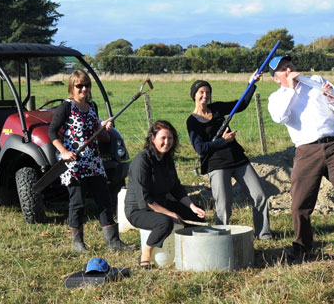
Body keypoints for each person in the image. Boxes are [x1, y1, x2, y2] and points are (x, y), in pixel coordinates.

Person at [267, 54, 334, 267]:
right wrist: (291, 87)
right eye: (282, 69)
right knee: (299, 205)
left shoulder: (315, 81)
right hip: (306, 150)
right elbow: (280, 117)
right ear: (276, 78)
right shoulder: (277, 97)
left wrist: (332, 97)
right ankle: (302, 249)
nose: (288, 69)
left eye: (289, 65)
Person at [48, 70, 134, 253]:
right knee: (78, 202)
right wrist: (63, 152)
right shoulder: (66, 107)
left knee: (104, 201)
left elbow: (97, 131)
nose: (84, 89)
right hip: (75, 163)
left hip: (93, 162)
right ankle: (78, 242)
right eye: (79, 86)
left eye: (86, 85)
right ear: (72, 87)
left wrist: (104, 126)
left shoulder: (92, 106)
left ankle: (113, 242)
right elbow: (52, 132)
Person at [186, 75, 272, 240]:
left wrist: (251, 83)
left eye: (208, 92)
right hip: (216, 165)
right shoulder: (192, 122)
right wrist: (222, 141)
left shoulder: (217, 108)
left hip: (238, 159)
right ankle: (220, 238)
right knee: (224, 206)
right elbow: (200, 148)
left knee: (260, 195)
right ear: (194, 95)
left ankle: (264, 233)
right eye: (201, 92)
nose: (205, 96)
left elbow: (241, 104)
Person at [125, 120, 206, 269]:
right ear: (152, 139)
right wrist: (170, 214)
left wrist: (193, 206)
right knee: (165, 222)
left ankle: (188, 249)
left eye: (170, 138)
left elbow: (176, 188)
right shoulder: (141, 161)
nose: (167, 142)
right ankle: (146, 254)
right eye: (163, 138)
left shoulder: (167, 160)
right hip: (139, 210)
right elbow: (145, 198)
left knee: (194, 214)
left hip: (161, 205)